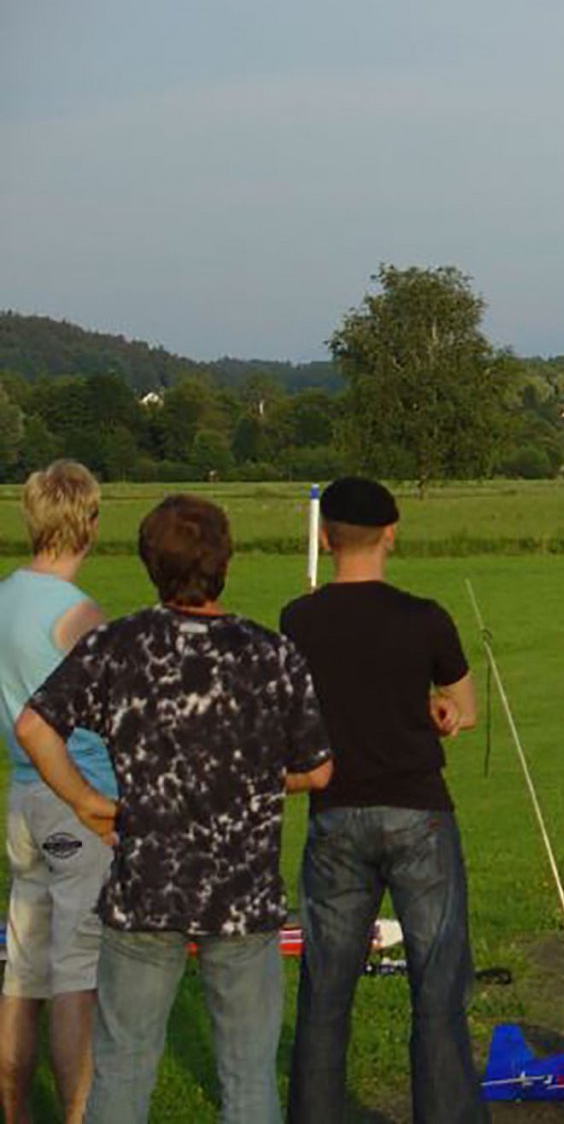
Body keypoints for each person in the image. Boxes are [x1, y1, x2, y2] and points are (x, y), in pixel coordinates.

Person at [14, 494, 332, 1124]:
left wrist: (83, 800)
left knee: (123, 1070)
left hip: (145, 888)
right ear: (225, 562)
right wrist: (247, 781)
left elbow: (33, 727)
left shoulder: (119, 645)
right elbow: (318, 769)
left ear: (149, 564)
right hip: (242, 895)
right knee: (248, 1077)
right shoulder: (269, 654)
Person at [281, 476, 486, 1124]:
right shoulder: (425, 618)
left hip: (334, 812)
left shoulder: (298, 619)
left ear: (326, 538)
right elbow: (465, 709)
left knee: (325, 994)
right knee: (437, 988)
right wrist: (439, 710)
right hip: (418, 811)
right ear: (391, 533)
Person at [0, 461, 112, 1124]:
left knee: (22, 969)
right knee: (77, 973)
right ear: (88, 523)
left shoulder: (4, 597)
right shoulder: (80, 614)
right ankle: (77, 1115)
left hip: (21, 795)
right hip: (77, 796)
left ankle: (14, 1110)